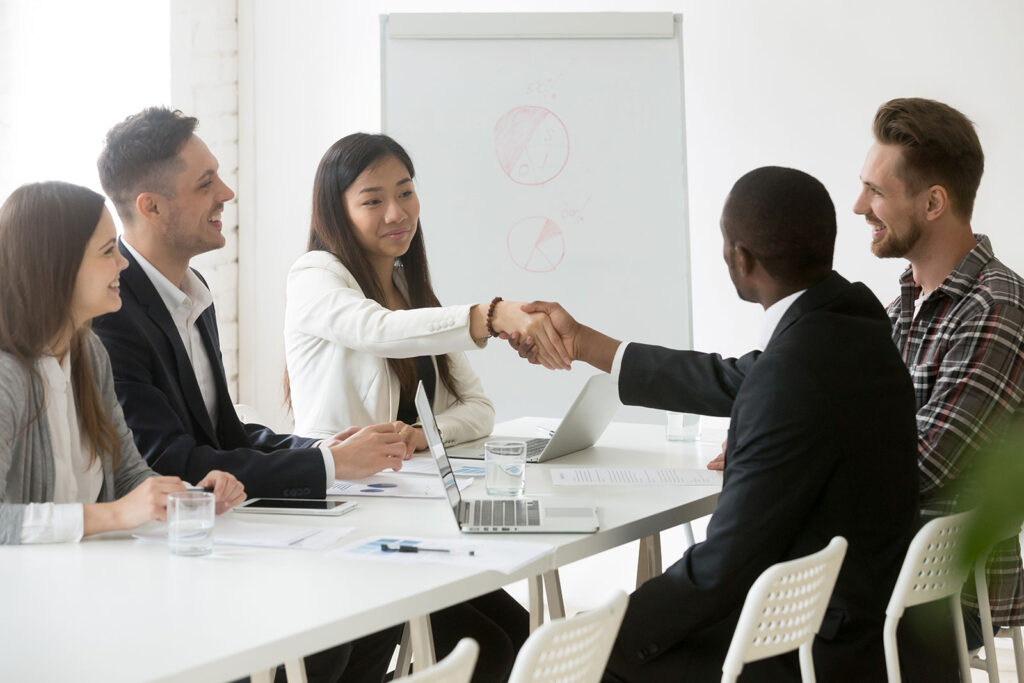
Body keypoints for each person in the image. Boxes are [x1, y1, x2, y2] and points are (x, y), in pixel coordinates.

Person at [511, 167, 933, 681]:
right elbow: (738, 378)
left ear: (740, 258)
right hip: (868, 622)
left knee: (591, 664)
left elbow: (720, 571)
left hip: (813, 649)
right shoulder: (854, 321)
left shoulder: (791, 372)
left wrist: (601, 633)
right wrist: (585, 345)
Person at [92, 108, 401, 682]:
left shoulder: (192, 288)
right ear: (151, 207)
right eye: (205, 183)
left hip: (223, 534)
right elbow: (170, 461)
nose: (227, 193)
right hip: (162, 561)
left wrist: (317, 444)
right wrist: (325, 464)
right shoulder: (113, 312)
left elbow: (224, 433)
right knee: (325, 639)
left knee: (368, 616)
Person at [284, 132, 532, 682]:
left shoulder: (408, 285)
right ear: (337, 211)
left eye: (406, 192)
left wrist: (422, 435)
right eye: (372, 200)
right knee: (489, 645)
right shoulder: (314, 278)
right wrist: (488, 316)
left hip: (407, 511)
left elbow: (480, 407)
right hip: (345, 514)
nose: (397, 213)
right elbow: (377, 332)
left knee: (511, 633)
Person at [853, 97, 1024, 649]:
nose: (859, 206)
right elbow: (837, 403)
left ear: (933, 203)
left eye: (876, 191)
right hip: (885, 572)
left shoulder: (996, 308)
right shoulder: (906, 303)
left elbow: (924, 465)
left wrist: (806, 457)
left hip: (949, 596)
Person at [0, 181, 244, 545]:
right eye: (106, 251)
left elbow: (129, 476)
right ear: (56, 266)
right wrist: (114, 514)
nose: (123, 262)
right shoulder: (8, 375)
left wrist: (193, 498)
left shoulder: (90, 355)